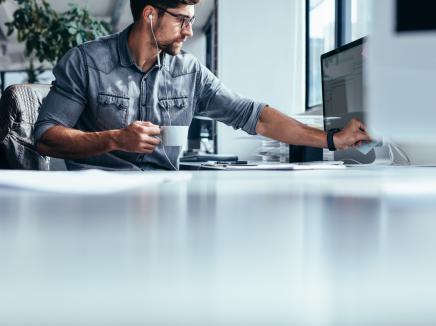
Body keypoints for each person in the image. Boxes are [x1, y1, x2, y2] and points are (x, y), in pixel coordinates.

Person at [34, 0, 371, 171]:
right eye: (182, 20)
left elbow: (254, 115)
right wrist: (115, 139)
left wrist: (331, 139)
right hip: (95, 207)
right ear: (150, 15)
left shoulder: (189, 71)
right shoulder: (86, 62)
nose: (189, 31)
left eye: (192, 21)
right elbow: (46, 137)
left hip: (166, 204)